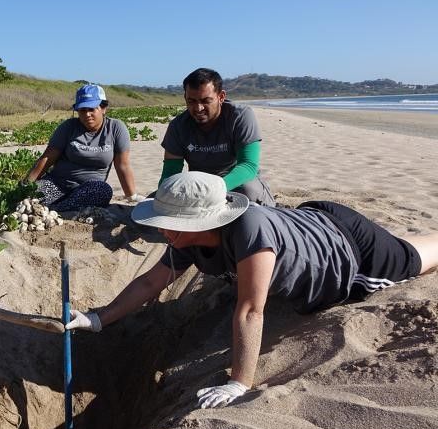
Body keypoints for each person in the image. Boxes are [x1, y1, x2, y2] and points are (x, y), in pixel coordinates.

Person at [66, 171, 438, 408]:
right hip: (317, 219)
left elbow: (250, 310)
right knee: (400, 244)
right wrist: (98, 318)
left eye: (170, 222)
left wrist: (239, 382)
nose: (163, 229)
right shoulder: (185, 238)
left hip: (351, 255)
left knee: (411, 260)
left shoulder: (249, 231)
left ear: (203, 219)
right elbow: (151, 281)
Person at [159, 68, 275, 206]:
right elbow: (170, 173)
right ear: (185, 98)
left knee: (249, 191)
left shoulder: (240, 116)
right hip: (199, 187)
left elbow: (249, 166)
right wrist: (165, 194)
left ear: (221, 97)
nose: (198, 108)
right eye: (191, 101)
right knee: (158, 196)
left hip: (237, 182)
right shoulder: (178, 126)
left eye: (205, 101)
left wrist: (213, 191)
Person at [23, 84, 143, 212]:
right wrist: (25, 186)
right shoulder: (68, 127)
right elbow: (47, 158)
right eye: (82, 110)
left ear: (103, 108)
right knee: (31, 196)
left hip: (89, 188)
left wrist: (132, 196)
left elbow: (122, 165)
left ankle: (56, 209)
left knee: (103, 191)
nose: (87, 114)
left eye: (92, 109)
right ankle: (57, 209)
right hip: (58, 184)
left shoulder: (116, 128)